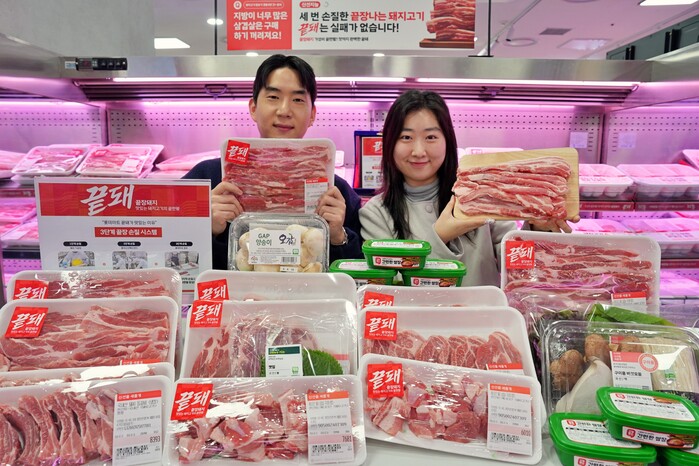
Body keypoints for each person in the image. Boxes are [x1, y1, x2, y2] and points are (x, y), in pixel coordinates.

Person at [359, 90, 576, 287]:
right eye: (406, 137)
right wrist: (440, 236)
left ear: (447, 141)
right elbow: (390, 288)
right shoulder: (376, 213)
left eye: (431, 137)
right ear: (389, 143)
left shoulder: (484, 192)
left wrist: (538, 229)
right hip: (416, 318)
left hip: (486, 316)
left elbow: (519, 268)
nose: (418, 151)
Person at [184, 54, 362, 269]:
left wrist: (338, 236)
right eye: (273, 97)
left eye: (298, 100)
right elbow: (173, 258)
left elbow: (360, 270)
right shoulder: (206, 178)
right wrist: (205, 228)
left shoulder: (336, 193)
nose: (284, 111)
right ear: (253, 108)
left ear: (312, 114)